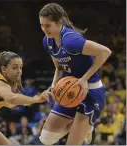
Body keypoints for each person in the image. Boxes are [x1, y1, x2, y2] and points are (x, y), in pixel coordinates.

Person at [38, 3, 112, 145]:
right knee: (46, 138)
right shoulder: (47, 41)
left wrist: (84, 79)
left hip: (90, 92)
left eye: (47, 25)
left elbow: (105, 52)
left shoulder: (71, 41)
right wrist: (53, 85)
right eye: (41, 25)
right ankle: (87, 128)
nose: (44, 29)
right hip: (70, 89)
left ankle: (85, 126)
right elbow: (59, 67)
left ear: (59, 22)